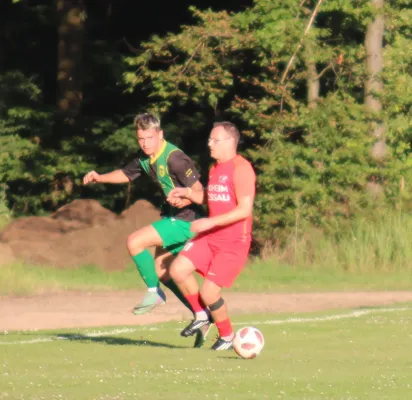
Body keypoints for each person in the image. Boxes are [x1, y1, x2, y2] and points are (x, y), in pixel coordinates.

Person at [83, 113, 205, 327]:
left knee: (135, 241)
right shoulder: (145, 158)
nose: (145, 143)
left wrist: (184, 200)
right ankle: (202, 315)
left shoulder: (175, 158)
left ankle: (154, 293)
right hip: (171, 217)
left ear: (160, 134)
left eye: (149, 138)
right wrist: (99, 177)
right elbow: (127, 173)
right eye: (141, 139)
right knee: (163, 271)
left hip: (186, 220)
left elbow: (200, 193)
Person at [167, 121, 256, 350]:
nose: (209, 143)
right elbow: (212, 197)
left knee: (209, 292)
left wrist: (208, 222)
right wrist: (187, 194)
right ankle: (201, 315)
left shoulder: (242, 168)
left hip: (234, 242)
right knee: (177, 270)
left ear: (230, 142)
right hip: (211, 236)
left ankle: (226, 335)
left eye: (214, 140)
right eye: (209, 139)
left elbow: (244, 209)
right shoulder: (215, 167)